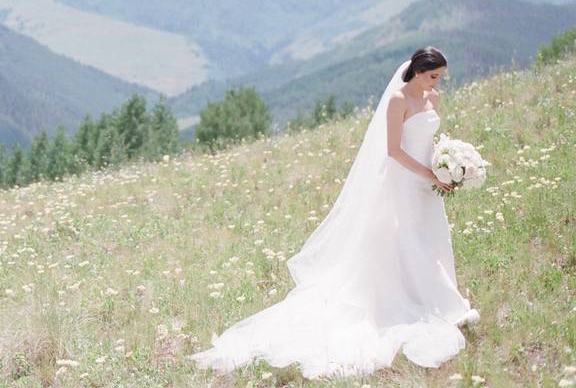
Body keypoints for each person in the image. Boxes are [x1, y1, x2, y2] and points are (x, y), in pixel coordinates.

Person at [188, 47, 480, 379]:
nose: (436, 82)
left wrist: (447, 166)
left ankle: (439, 300)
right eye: (432, 76)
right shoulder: (399, 99)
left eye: (440, 76)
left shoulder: (433, 99)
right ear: (416, 71)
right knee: (407, 240)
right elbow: (393, 150)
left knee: (430, 240)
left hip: (428, 186)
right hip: (402, 183)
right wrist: (429, 174)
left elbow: (429, 142)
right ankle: (425, 304)